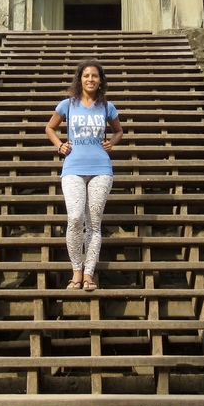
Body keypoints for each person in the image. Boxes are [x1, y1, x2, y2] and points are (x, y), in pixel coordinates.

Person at [44, 59, 123, 292]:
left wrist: (112, 143)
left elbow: (118, 131)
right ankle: (75, 271)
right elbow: (50, 127)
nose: (90, 79)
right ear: (80, 79)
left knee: (94, 224)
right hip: (72, 169)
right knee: (76, 218)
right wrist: (60, 145)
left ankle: (88, 275)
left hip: (101, 169)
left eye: (95, 76)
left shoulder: (107, 106)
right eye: (86, 75)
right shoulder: (68, 104)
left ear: (100, 81)